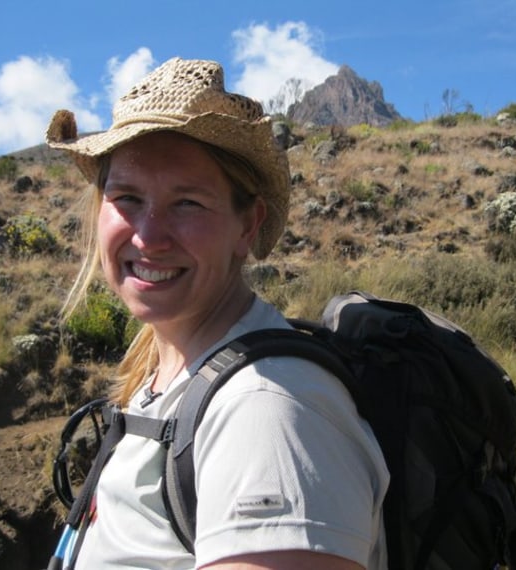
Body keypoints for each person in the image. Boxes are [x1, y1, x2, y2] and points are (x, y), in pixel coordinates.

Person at [47, 57, 389, 570]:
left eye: (187, 203)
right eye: (126, 197)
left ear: (247, 226)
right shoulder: (167, 372)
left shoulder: (267, 410)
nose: (148, 235)